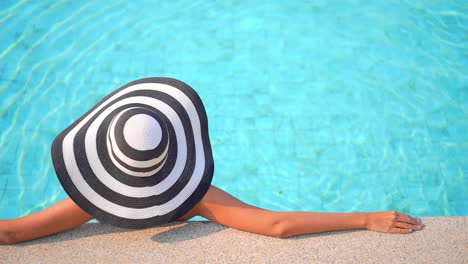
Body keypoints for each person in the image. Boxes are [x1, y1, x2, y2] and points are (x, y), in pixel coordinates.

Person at [0, 78, 424, 245]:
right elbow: (278, 225)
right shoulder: (196, 199)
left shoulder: (89, 202)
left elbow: (13, 232)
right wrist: (366, 219)